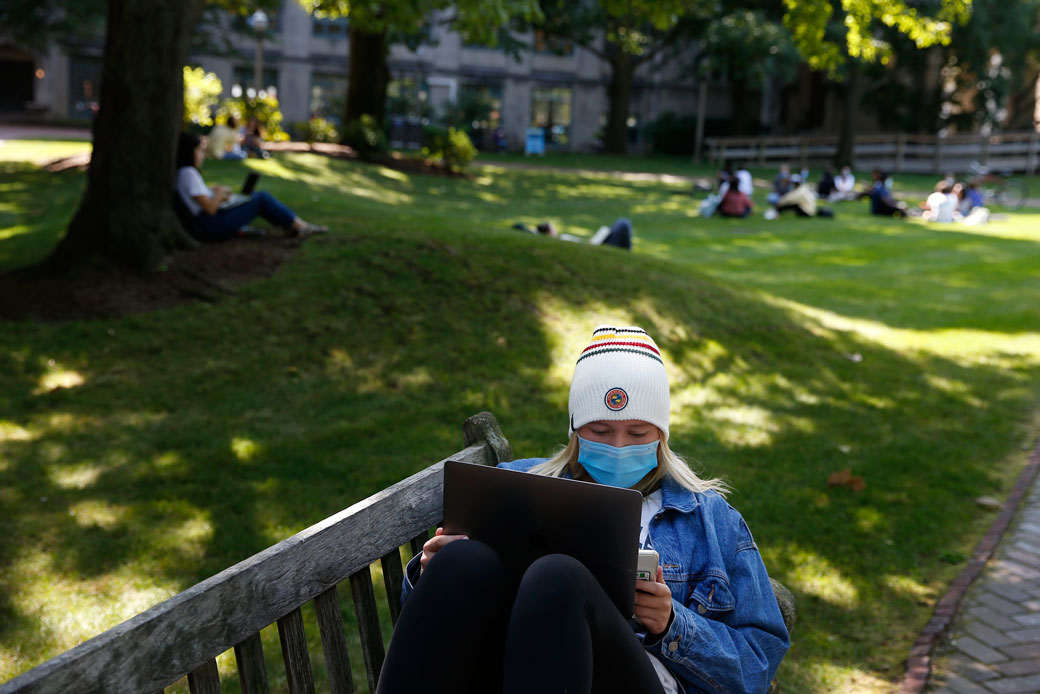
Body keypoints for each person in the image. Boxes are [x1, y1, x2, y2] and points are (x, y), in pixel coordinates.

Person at [376, 325, 790, 694]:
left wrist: (670, 623)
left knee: (561, 576)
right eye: (600, 430)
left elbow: (757, 664)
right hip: (508, 671)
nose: (619, 446)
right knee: (464, 559)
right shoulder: (516, 484)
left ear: (662, 433)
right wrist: (429, 570)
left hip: (642, 677)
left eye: (638, 431)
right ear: (575, 429)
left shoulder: (712, 519)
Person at [175, 132, 327, 242]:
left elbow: (204, 202)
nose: (202, 155)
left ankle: (294, 226)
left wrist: (222, 196)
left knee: (254, 198)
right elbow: (210, 209)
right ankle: (299, 226)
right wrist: (219, 193)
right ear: (189, 152)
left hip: (211, 223)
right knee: (261, 198)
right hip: (212, 225)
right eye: (199, 151)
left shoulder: (185, 173)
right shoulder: (188, 173)